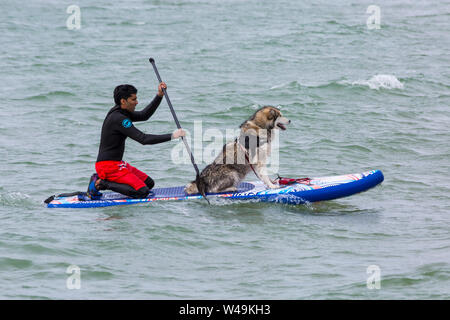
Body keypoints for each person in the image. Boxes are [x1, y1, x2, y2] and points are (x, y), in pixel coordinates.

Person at [87, 82, 185, 199]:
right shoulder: (119, 118)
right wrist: (172, 136)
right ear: (123, 101)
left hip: (117, 164)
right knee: (142, 192)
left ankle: (100, 179)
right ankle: (102, 183)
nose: (137, 102)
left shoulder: (122, 111)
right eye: (133, 99)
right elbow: (143, 139)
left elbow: (144, 115)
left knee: (149, 184)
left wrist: (159, 95)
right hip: (108, 167)